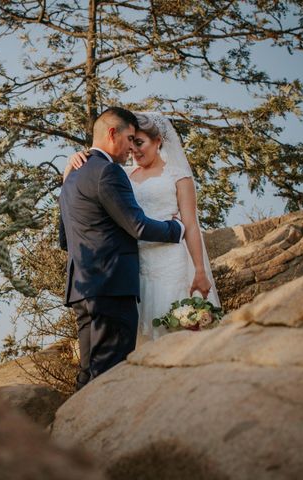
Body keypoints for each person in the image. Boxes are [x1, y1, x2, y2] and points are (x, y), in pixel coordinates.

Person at [65, 112, 220, 344]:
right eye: (131, 142)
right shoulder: (120, 173)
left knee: (171, 330)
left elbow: (190, 225)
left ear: (158, 142)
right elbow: (86, 183)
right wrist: (72, 162)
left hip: (169, 262)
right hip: (134, 266)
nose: (134, 150)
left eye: (139, 142)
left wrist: (199, 270)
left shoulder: (179, 177)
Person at [58, 107, 184, 391]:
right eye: (129, 138)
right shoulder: (108, 171)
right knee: (109, 375)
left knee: (88, 376)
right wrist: (178, 229)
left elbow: (65, 239)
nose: (131, 146)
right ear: (112, 133)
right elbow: (137, 226)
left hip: (81, 289)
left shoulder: (72, 178)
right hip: (111, 287)